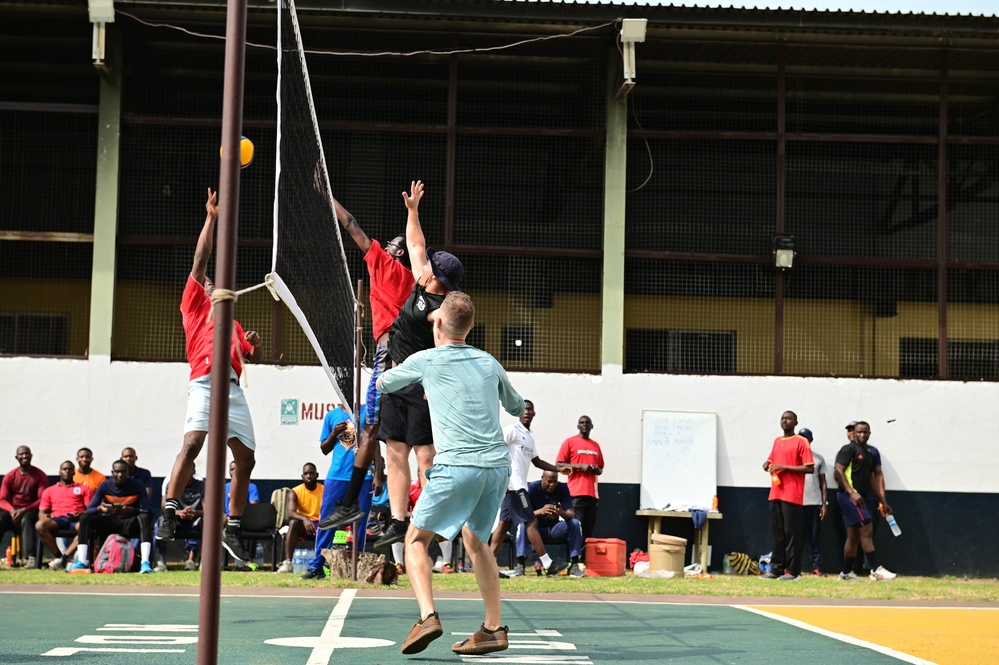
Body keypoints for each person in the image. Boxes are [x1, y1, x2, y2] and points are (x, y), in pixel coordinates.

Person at [377, 291, 521, 656]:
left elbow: (384, 384)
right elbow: (517, 406)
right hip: (496, 470)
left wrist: (384, 358)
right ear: (470, 327)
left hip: (457, 466)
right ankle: (493, 628)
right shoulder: (489, 362)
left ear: (437, 323)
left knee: (414, 540)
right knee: (475, 541)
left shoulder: (425, 360)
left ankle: (427, 616)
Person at [158, 187, 263, 563]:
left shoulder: (231, 323)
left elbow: (256, 357)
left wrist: (253, 343)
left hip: (232, 391)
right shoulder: (193, 305)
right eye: (207, 281)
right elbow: (201, 258)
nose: (210, 282)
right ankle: (169, 513)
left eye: (215, 283)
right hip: (204, 384)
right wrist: (212, 218)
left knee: (246, 459)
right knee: (192, 445)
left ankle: (232, 528)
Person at [362, 180, 464, 552]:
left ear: (436, 275)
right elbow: (416, 243)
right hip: (395, 379)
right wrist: (413, 211)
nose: (419, 259)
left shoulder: (440, 312)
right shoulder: (423, 279)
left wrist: (438, 387)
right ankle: (397, 521)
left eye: (430, 264)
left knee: (425, 456)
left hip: (420, 387)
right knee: (394, 452)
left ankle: (432, 521)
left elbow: (447, 351)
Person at [317, 197, 413, 533]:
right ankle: (399, 519)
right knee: (402, 441)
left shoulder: (384, 264)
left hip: (389, 352)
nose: (386, 245)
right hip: (412, 360)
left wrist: (327, 196)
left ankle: (349, 506)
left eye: (392, 244)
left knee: (370, 430)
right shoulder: (416, 284)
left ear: (398, 252)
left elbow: (351, 225)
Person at [489, 400, 571, 576]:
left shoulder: (530, 437)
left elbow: (537, 461)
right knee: (531, 522)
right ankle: (548, 564)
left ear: (534, 414)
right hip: (514, 485)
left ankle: (488, 566)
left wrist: (558, 469)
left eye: (530, 410)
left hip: (517, 486)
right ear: (519, 412)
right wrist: (500, 477)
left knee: (503, 526)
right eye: (524, 409)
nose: (527, 412)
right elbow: (497, 449)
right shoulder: (511, 430)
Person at [305, 409, 377, 580]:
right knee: (328, 520)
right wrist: (334, 434)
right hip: (337, 476)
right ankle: (317, 565)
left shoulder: (367, 411)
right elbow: (324, 448)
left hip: (363, 476)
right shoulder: (332, 415)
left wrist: (378, 475)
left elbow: (374, 444)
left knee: (359, 522)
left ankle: (356, 565)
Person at [834, 421, 897, 581]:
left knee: (854, 535)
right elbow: (838, 472)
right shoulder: (848, 449)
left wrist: (883, 501)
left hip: (860, 497)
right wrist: (851, 493)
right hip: (849, 497)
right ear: (854, 433)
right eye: (859, 432)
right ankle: (876, 570)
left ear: (869, 433)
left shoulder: (869, 454)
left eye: (865, 432)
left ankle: (846, 573)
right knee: (866, 530)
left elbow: (871, 480)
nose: (862, 435)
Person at [68, 459, 155, 574]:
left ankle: (145, 563)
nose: (120, 475)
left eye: (123, 472)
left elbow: (148, 510)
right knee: (85, 518)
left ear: (128, 472)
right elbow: (90, 509)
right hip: (110, 521)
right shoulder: (105, 485)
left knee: (144, 517)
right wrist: (101, 509)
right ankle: (82, 561)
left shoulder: (137, 485)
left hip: (129, 522)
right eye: (117, 472)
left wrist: (131, 509)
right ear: (112, 472)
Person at [760, 411, 814, 581]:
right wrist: (767, 464)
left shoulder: (801, 441)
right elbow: (771, 460)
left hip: (792, 494)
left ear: (796, 422)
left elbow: (809, 468)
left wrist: (784, 467)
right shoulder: (777, 441)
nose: (785, 420)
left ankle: (793, 571)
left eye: (789, 418)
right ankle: (776, 569)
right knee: (777, 533)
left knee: (792, 533)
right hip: (775, 492)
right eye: (783, 418)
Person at [516, 470, 585, 577]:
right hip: (536, 531)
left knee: (575, 523)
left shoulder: (562, 488)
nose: (552, 485)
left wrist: (560, 512)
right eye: (549, 481)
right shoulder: (532, 488)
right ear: (542, 478)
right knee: (523, 525)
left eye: (555, 482)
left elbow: (571, 514)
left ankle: (575, 564)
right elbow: (522, 514)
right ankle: (520, 565)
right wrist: (541, 511)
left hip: (555, 529)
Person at [556, 415, 605, 546]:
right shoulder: (570, 442)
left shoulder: (596, 445)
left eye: (587, 423)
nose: (584, 424)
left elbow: (600, 468)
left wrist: (595, 469)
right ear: (578, 426)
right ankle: (574, 558)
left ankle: (583, 560)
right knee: (577, 526)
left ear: (592, 426)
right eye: (582, 422)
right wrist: (580, 466)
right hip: (576, 493)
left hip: (593, 494)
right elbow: (559, 463)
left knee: (588, 529)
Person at [36, 460, 93, 570]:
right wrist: (44, 517)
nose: (67, 471)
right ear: (59, 472)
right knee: (40, 525)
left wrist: (80, 514)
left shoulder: (84, 489)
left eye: (70, 469)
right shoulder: (49, 490)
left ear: (74, 473)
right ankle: (59, 556)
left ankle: (64, 558)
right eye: (64, 469)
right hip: (58, 519)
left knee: (86, 528)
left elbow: (90, 510)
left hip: (77, 519)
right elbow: (42, 511)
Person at [0, 446, 49, 568]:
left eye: (27, 454)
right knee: (1, 519)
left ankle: (30, 557)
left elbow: (42, 499)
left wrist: (24, 510)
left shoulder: (39, 475)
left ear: (31, 456)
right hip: (13, 510)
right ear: (17, 457)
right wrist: (12, 510)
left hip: (32, 510)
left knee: (26, 520)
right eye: (21, 454)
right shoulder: (10, 476)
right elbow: (2, 499)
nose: (24, 456)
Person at [154, 467, 205, 572]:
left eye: (187, 470)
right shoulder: (171, 485)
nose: (184, 474)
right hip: (176, 518)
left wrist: (193, 513)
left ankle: (199, 562)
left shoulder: (202, 485)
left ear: (193, 471)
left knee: (208, 522)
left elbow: (208, 510)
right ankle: (161, 562)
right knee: (161, 521)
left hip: (195, 518)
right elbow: (165, 509)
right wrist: (178, 513)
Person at [276, 463, 324, 574]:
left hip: (321, 524)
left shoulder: (324, 489)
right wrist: (305, 519)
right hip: (304, 525)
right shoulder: (295, 491)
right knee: (293, 523)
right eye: (306, 474)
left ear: (316, 475)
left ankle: (325, 563)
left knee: (331, 525)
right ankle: (288, 563)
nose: (308, 476)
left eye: (311, 473)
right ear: (302, 476)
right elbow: (291, 513)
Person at [797, 428, 827, 576]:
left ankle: (816, 566)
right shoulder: (793, 458)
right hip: (796, 502)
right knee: (796, 537)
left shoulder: (818, 458)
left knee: (815, 537)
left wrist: (824, 503)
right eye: (800, 438)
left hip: (814, 502)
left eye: (806, 438)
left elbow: (823, 482)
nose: (803, 441)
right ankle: (794, 567)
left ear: (810, 440)